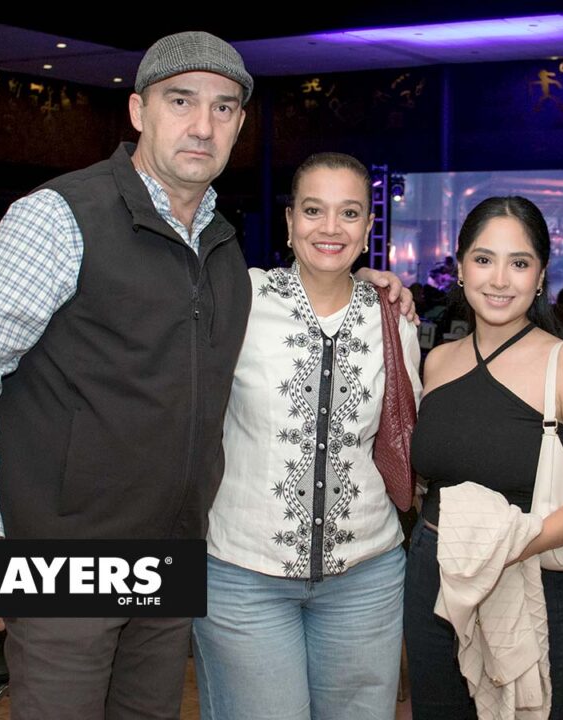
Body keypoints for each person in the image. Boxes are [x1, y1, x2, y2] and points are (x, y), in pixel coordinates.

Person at [0, 34, 409, 720]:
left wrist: (368, 283)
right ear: (138, 111)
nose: (202, 125)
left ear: (239, 125)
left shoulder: (221, 247)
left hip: (172, 556)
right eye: (181, 101)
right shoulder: (59, 216)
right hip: (61, 558)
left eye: (223, 107)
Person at [193, 152, 422, 720]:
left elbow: (404, 428)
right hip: (243, 573)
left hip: (365, 575)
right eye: (314, 210)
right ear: (290, 220)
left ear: (369, 227)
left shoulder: (392, 318)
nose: (331, 228)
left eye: (350, 213)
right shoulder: (241, 299)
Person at [404, 196, 563, 719]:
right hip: (433, 577)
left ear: (541, 275)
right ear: (460, 268)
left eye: (519, 262)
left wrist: (513, 543)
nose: (500, 279)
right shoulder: (438, 362)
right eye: (484, 259)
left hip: (531, 578)